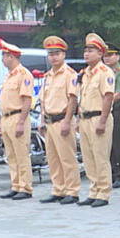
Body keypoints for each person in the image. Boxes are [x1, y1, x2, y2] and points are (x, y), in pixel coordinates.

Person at [40, 36, 81, 204]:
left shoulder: (70, 74)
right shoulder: (47, 76)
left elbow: (72, 99)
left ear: (63, 54)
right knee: (53, 157)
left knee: (67, 157)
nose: (54, 57)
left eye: (57, 53)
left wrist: (67, 120)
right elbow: (43, 99)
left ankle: (72, 191)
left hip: (62, 119)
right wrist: (42, 120)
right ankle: (58, 189)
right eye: (51, 54)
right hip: (49, 121)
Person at [76, 34, 115, 207]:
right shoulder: (85, 73)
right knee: (88, 157)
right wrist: (78, 119)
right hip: (85, 118)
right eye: (85, 51)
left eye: (91, 51)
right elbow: (81, 98)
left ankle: (104, 192)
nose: (86, 54)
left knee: (100, 156)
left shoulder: (105, 72)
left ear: (100, 53)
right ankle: (93, 190)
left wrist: (102, 120)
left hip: (99, 117)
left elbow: (108, 97)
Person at [0, 42, 35, 200]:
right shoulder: (9, 75)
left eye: (4, 57)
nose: (2, 60)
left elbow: (26, 100)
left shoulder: (23, 74)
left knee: (21, 154)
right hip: (6, 117)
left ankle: (25, 187)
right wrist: (0, 122)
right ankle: (16, 184)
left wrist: (21, 122)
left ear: (10, 56)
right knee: (11, 155)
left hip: (18, 117)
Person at [104, 44, 120, 189]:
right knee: (108, 145)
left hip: (117, 111)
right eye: (106, 55)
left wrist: (102, 102)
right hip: (104, 111)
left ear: (118, 56)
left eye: (111, 55)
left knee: (118, 144)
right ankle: (112, 173)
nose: (108, 58)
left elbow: (119, 95)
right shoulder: (102, 72)